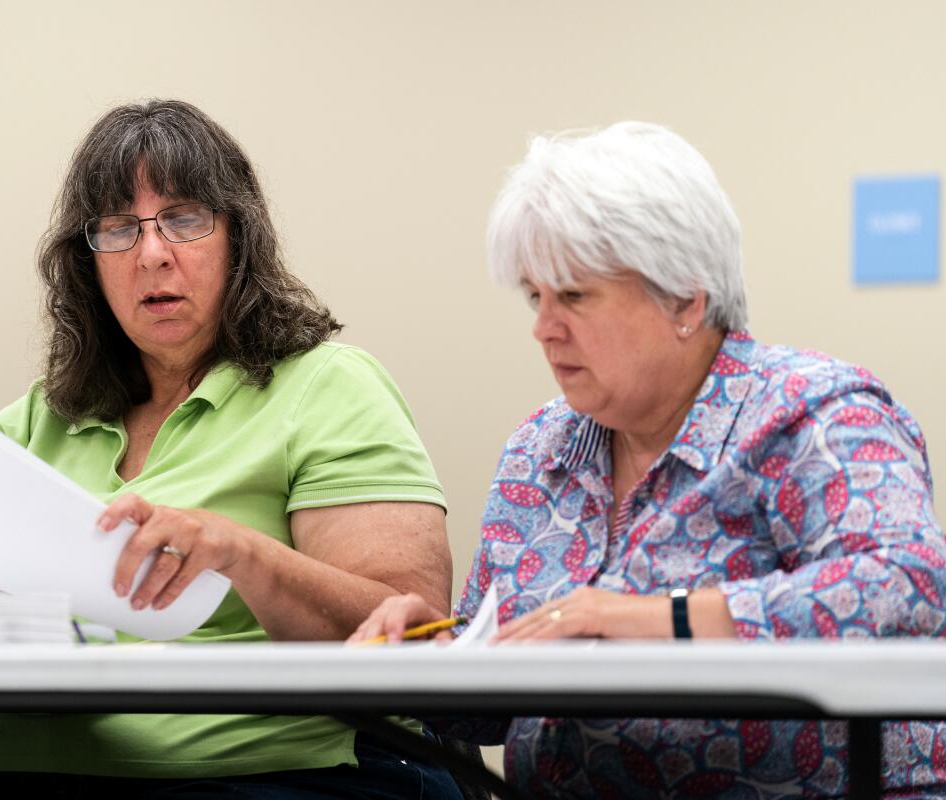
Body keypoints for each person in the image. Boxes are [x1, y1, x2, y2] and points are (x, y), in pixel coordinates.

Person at [0, 99, 463, 799]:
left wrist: (242, 554)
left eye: (184, 219)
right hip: (23, 778)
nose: (153, 253)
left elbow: (412, 628)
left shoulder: (328, 386)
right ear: (88, 264)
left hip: (263, 775)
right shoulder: (50, 414)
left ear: (237, 239)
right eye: (119, 229)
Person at [349, 122, 946, 797]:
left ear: (686, 298)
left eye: (574, 295)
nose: (544, 327)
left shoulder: (813, 414)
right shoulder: (537, 452)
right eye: (534, 296)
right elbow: (496, 704)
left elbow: (909, 586)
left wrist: (648, 619)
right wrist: (428, 657)